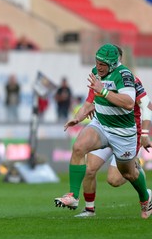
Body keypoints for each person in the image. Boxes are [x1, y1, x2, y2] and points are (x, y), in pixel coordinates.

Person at [54, 43, 152, 219]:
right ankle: (78, 200)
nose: (98, 67)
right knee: (80, 151)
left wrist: (144, 134)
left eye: (102, 64)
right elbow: (89, 101)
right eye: (97, 62)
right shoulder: (96, 73)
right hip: (102, 126)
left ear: (115, 63)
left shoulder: (127, 77)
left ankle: (146, 197)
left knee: (120, 177)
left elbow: (134, 104)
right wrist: (77, 117)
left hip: (123, 132)